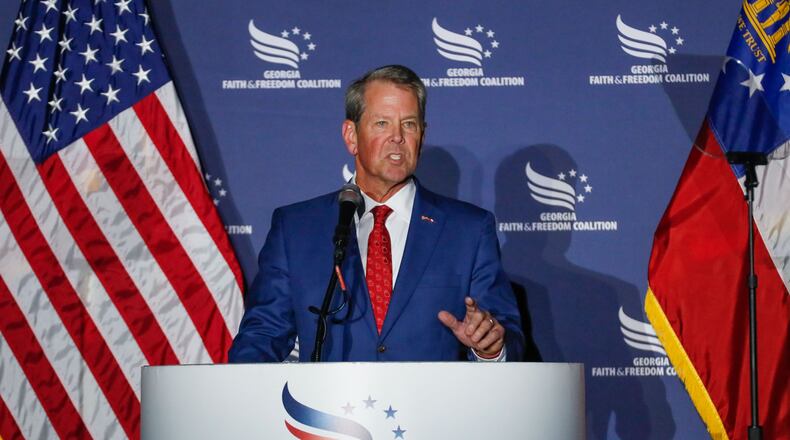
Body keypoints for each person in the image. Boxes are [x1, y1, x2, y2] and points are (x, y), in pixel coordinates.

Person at [229, 65, 524, 362]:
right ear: (351, 135)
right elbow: (263, 335)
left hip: (432, 406)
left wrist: (489, 348)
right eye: (382, 123)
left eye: (409, 124)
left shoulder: (468, 230)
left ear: (422, 135)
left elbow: (506, 335)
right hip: (325, 406)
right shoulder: (295, 228)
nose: (397, 137)